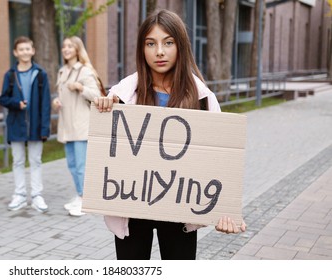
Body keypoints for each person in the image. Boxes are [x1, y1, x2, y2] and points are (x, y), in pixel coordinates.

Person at [93, 9, 247, 259]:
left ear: (181, 46)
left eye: (168, 42)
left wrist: (224, 210)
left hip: (180, 209)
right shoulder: (121, 96)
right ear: (142, 49)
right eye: (151, 43)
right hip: (132, 209)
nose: (160, 52)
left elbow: (219, 160)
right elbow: (109, 153)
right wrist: (104, 110)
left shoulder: (203, 100)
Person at [0, 36, 51, 213]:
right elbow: (3, 99)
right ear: (15, 53)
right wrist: (16, 103)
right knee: (18, 161)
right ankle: (20, 195)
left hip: (36, 126)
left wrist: (45, 128)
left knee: (36, 161)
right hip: (16, 125)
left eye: (27, 49)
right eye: (21, 49)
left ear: (33, 50)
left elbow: (45, 104)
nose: (25, 52)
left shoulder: (41, 74)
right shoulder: (10, 75)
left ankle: (37, 196)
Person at [52, 36, 102, 217]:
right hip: (66, 126)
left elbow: (96, 95)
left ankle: (85, 201)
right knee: (72, 165)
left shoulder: (85, 71)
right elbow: (62, 95)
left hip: (81, 125)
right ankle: (80, 195)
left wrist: (81, 88)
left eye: (70, 46)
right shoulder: (62, 71)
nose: (65, 49)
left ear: (77, 49)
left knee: (81, 166)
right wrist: (56, 101)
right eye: (64, 46)